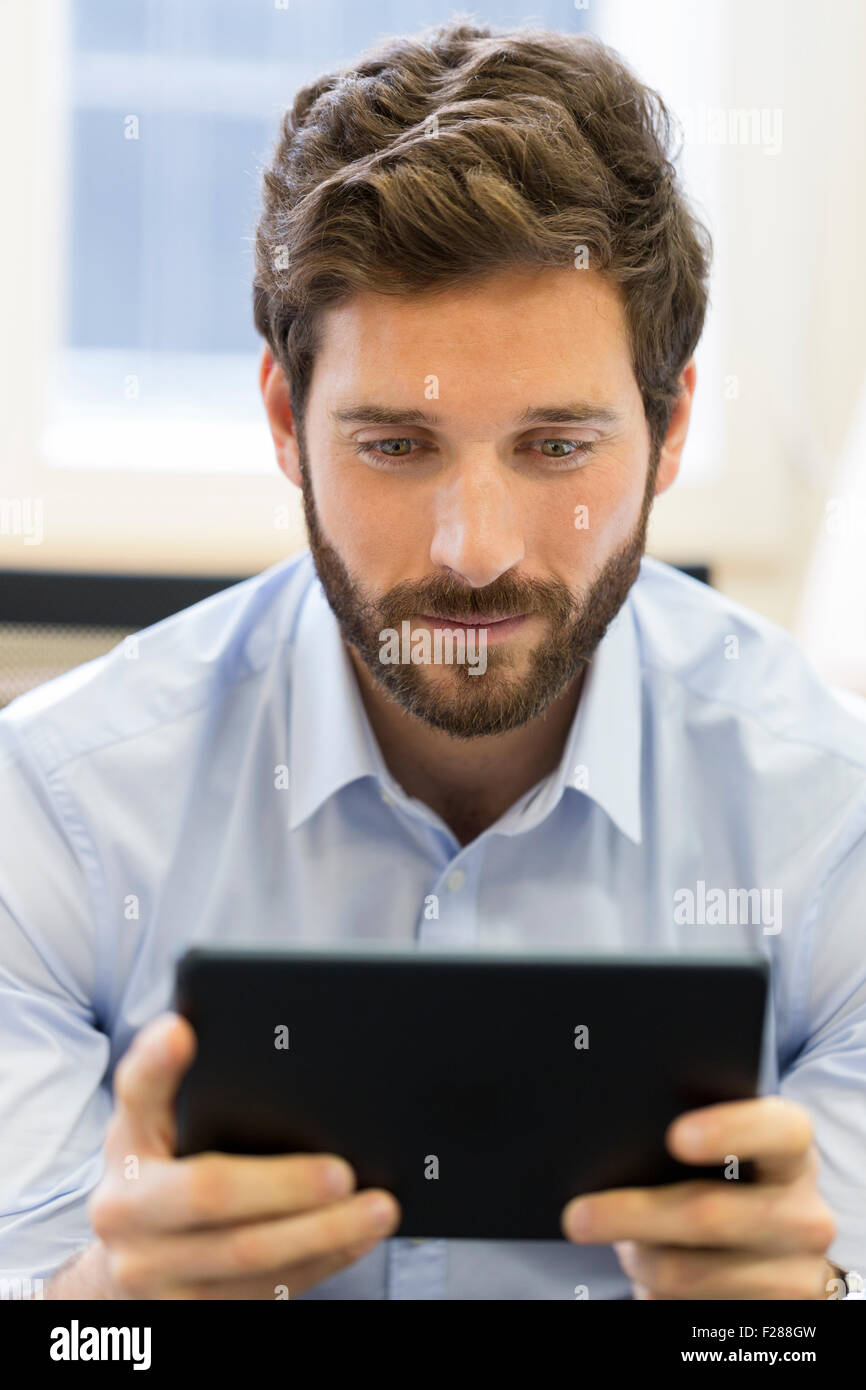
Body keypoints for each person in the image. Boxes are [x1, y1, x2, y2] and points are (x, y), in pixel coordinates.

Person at [1, 19, 864, 1301]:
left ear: (670, 428)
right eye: (396, 445)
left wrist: (788, 1334)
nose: (473, 552)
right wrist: (108, 1319)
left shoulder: (833, 822)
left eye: (556, 446)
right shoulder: (54, 811)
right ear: (288, 423)